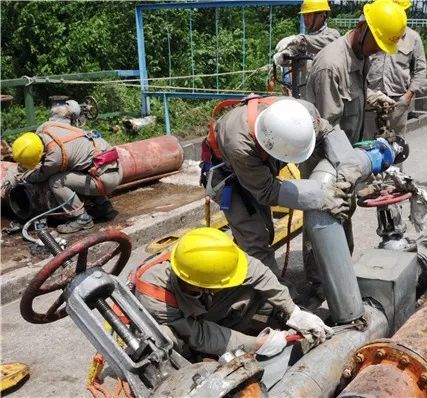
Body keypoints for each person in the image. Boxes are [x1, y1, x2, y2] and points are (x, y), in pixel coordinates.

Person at [201, 96, 364, 276]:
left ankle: (254, 277)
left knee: (266, 231)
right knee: (255, 238)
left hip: (260, 161)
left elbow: (328, 133)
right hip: (229, 175)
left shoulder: (301, 114)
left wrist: (349, 171)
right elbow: (267, 191)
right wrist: (322, 197)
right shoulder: (240, 144)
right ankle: (269, 300)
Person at [134, 227, 333, 357]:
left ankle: (278, 319)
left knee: (258, 288)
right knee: (167, 339)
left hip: (200, 303)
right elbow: (200, 334)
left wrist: (293, 312)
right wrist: (255, 343)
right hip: (180, 325)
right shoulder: (155, 295)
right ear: (205, 285)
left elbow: (260, 274)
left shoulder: (213, 254)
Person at [305, 0, 408, 144]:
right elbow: (328, 131)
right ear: (362, 26)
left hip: (348, 151)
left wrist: (371, 96)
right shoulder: (331, 66)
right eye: (377, 43)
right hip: (328, 159)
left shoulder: (361, 55)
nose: (379, 50)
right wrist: (361, 159)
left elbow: (348, 93)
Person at [11, 101, 121, 233]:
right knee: (77, 164)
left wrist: (26, 176)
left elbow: (40, 176)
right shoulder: (45, 128)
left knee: (56, 181)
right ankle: (103, 205)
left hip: (106, 180)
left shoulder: (55, 158)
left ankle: (81, 218)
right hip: (114, 167)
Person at [364, 0, 426, 140]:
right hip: (371, 100)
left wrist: (408, 96)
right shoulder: (374, 34)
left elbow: (420, 70)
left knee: (395, 145)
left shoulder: (413, 38)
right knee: (368, 145)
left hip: (397, 101)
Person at [272, 0, 340, 98]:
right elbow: (295, 52)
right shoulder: (303, 42)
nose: (305, 19)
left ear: (322, 15)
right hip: (305, 97)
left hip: (325, 98)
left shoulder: (332, 35)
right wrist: (284, 56)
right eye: (304, 16)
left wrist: (299, 39)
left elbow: (320, 43)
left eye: (309, 15)